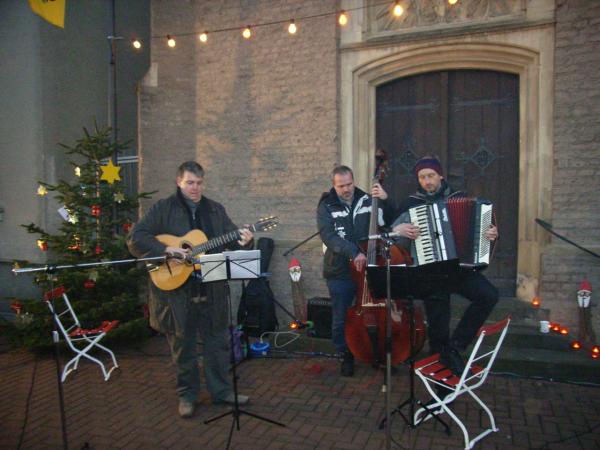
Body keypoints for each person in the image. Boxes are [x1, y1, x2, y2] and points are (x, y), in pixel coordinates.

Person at [127, 161, 254, 418]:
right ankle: (187, 396)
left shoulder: (215, 210)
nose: (195, 188)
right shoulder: (163, 208)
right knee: (183, 349)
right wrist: (166, 250)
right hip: (177, 294)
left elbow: (232, 241)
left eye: (199, 183)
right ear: (179, 182)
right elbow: (135, 237)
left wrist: (246, 241)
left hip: (212, 290)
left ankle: (221, 392)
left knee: (217, 345)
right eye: (189, 183)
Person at [391, 156, 499, 377]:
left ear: (440, 175)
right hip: (431, 271)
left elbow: (484, 230)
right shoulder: (411, 204)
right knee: (438, 325)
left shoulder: (459, 198)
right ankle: (440, 375)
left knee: (488, 295)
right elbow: (391, 236)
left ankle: (455, 346)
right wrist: (398, 230)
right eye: (422, 177)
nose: (427, 181)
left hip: (460, 269)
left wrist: (491, 234)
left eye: (430, 175)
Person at [317, 165, 391, 376]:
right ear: (334, 185)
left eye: (349, 184)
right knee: (341, 316)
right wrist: (353, 252)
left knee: (375, 313)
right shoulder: (326, 205)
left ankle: (376, 353)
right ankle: (345, 355)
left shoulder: (368, 200)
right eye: (341, 186)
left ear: (354, 181)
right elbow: (328, 236)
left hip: (369, 267)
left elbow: (386, 223)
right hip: (339, 270)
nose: (346, 189)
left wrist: (385, 200)